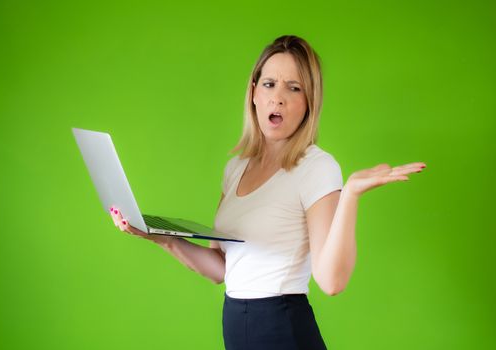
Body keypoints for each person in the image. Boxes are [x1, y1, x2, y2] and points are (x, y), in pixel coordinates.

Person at [109, 35, 426, 349]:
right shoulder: (235, 169)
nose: (278, 98)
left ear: (308, 104)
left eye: (294, 87)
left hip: (283, 330)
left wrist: (352, 194)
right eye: (270, 84)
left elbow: (331, 282)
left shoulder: (317, 167)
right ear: (253, 93)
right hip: (236, 326)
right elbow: (220, 268)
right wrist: (159, 236)